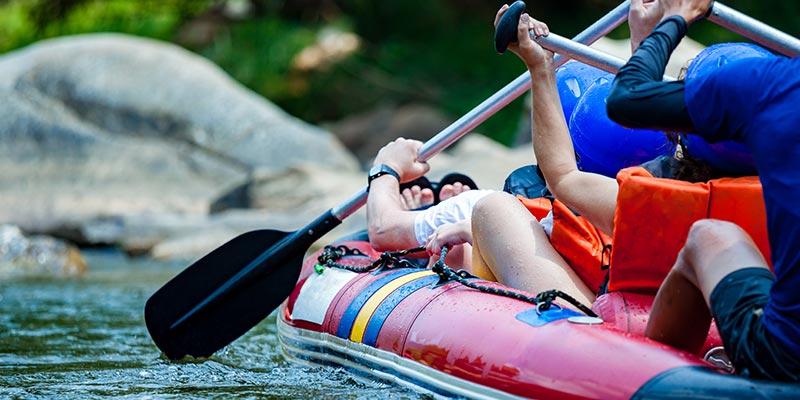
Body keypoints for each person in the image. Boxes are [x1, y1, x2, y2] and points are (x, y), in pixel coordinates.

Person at [605, 0, 800, 381]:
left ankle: (650, 376)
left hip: (786, 354)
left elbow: (626, 99)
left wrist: (675, 18)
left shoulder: (770, 86)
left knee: (708, 235)